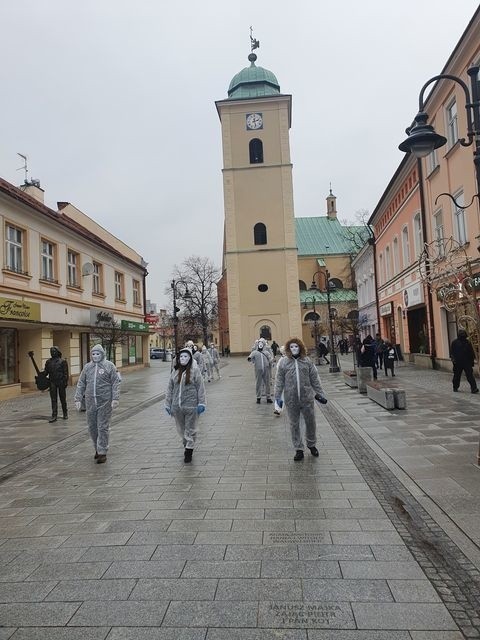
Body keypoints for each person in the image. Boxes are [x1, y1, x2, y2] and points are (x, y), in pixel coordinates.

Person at [274, 337, 327, 461]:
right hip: (291, 398)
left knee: (310, 422)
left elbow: (314, 378)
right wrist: (277, 396)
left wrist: (320, 393)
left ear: (300, 347)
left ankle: (311, 444)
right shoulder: (283, 362)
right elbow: (279, 380)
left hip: (307, 398)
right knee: (294, 424)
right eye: (291, 347)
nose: (294, 349)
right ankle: (298, 449)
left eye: (296, 346)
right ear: (288, 348)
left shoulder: (307, 361)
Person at [74, 344, 120, 464]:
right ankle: (97, 448)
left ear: (102, 354)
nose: (95, 356)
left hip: (105, 401)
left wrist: (115, 398)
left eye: (98, 354)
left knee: (102, 427)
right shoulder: (87, 367)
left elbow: (115, 382)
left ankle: (102, 452)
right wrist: (78, 398)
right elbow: (81, 383)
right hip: (90, 402)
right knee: (92, 427)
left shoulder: (109, 366)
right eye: (93, 354)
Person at [165, 347, 206, 463]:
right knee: (182, 430)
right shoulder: (175, 371)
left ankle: (189, 450)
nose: (183, 359)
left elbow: (200, 387)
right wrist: (168, 404)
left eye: (185, 357)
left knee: (190, 429)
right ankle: (186, 444)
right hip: (177, 407)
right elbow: (170, 389)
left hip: (191, 406)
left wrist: (202, 403)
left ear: (190, 358)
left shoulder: (195, 371)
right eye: (181, 357)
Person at [44, 346, 69, 423]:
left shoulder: (62, 361)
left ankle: (65, 413)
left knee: (62, 398)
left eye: (54, 351)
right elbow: (46, 372)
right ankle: (54, 415)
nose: (52, 353)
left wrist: (65, 382)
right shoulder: (48, 362)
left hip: (61, 381)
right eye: (51, 351)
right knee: (53, 399)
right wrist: (41, 375)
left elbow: (66, 373)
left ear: (58, 352)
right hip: (52, 382)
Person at [450, 329, 479, 394]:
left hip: (467, 362)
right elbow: (452, 352)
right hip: (458, 362)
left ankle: (474, 388)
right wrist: (453, 360)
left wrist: (472, 361)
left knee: (470, 375)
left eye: (464, 334)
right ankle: (455, 387)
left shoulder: (468, 342)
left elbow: (471, 352)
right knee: (457, 376)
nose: (463, 335)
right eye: (462, 334)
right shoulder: (454, 342)